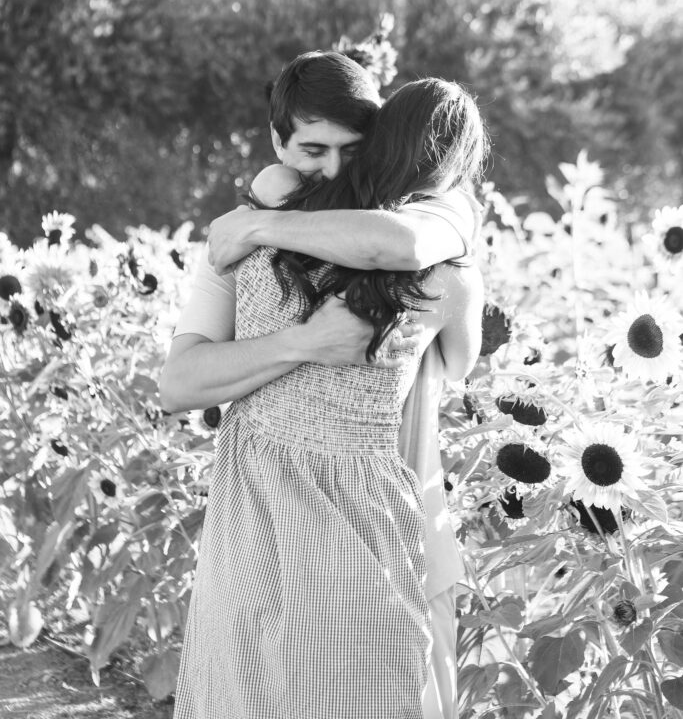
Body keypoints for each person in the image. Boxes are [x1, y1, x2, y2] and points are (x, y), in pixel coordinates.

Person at [162, 63, 486, 718]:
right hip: (284, 517)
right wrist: (303, 342)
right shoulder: (240, 240)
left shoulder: (431, 219)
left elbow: (400, 243)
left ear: (382, 141)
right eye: (313, 150)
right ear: (277, 142)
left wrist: (261, 224)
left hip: (388, 517)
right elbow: (178, 384)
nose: (333, 170)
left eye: (352, 149)